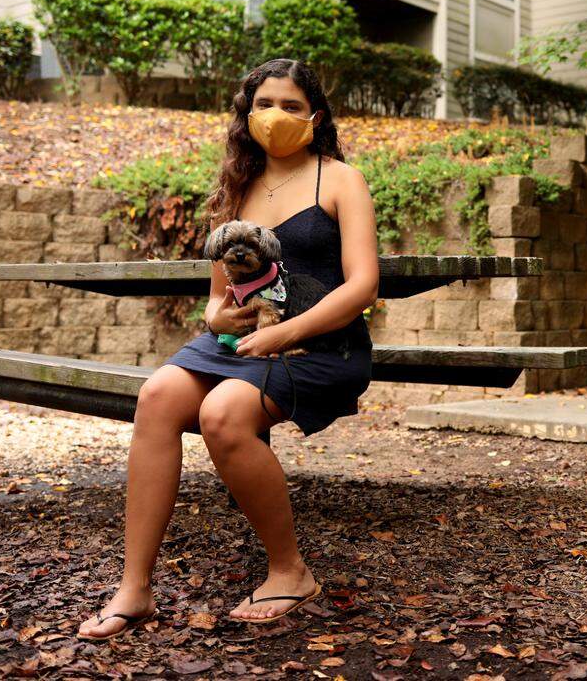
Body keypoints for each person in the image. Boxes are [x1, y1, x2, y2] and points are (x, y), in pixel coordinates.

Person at [76, 59, 378, 638]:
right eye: (265, 104)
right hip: (243, 343)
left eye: (291, 106)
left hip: (321, 345)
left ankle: (290, 571)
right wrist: (218, 315)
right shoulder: (236, 187)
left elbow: (363, 285)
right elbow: (219, 299)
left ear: (314, 117)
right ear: (247, 114)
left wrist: (282, 333)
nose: (276, 117)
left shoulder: (341, 180)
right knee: (158, 394)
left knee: (222, 414)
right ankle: (134, 587)